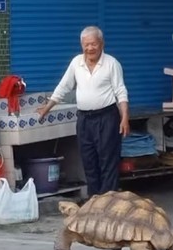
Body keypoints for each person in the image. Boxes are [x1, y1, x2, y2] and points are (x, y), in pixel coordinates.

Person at [37, 26, 129, 198]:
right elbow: (63, 87)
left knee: (108, 161)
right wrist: (46, 108)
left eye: (93, 44)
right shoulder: (76, 63)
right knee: (89, 161)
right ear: (81, 45)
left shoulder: (111, 64)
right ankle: (94, 202)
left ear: (102, 44)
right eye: (86, 45)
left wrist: (125, 118)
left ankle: (108, 202)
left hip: (107, 118)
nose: (90, 48)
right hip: (85, 119)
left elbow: (120, 91)